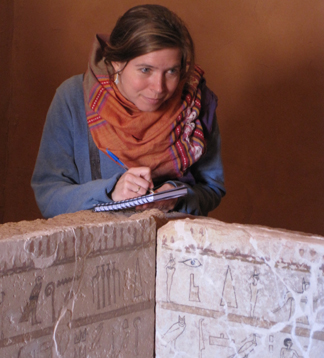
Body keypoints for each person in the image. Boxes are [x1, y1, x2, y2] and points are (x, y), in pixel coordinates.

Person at [31, 4, 226, 218]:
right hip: (92, 249)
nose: (159, 87)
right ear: (117, 63)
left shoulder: (195, 103)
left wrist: (179, 197)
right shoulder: (73, 98)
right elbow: (48, 196)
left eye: (171, 71)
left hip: (173, 248)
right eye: (145, 70)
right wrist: (111, 191)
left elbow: (212, 188)